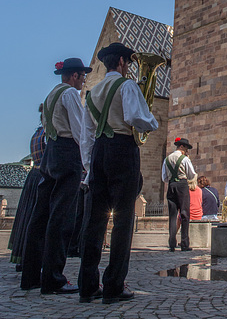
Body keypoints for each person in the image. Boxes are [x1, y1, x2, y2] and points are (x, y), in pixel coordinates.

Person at [78, 42, 158, 305]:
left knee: (94, 221)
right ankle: (114, 285)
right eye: (129, 63)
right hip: (123, 150)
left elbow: (86, 135)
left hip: (99, 152)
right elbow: (138, 117)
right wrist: (153, 120)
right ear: (123, 62)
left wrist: (90, 168)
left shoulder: (91, 92)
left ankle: (88, 285)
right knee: (123, 219)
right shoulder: (127, 86)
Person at [21, 58, 91, 294]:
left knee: (40, 215)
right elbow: (79, 129)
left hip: (50, 152)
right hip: (66, 152)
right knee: (62, 217)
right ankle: (53, 278)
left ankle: (30, 275)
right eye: (82, 77)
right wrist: (86, 161)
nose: (83, 81)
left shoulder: (51, 95)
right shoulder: (70, 94)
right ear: (74, 76)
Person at [8, 109, 46, 270]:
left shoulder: (36, 133)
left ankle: (23, 256)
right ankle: (32, 259)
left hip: (33, 176)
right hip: (42, 175)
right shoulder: (46, 134)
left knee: (28, 216)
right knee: (38, 218)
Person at [162, 137, 196, 252]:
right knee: (185, 214)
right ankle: (184, 243)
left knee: (172, 215)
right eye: (186, 148)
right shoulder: (184, 159)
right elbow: (191, 175)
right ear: (182, 147)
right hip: (182, 185)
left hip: (171, 186)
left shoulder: (167, 159)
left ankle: (172, 243)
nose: (187, 151)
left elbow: (164, 177)